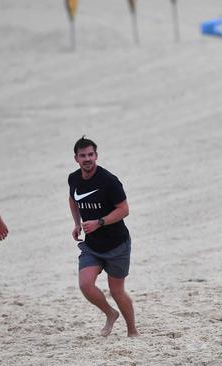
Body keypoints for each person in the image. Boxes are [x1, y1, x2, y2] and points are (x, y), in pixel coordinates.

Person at [68, 136, 139, 337]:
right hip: (92, 246)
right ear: (76, 158)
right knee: (85, 284)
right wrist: (76, 223)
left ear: (96, 155)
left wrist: (99, 222)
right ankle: (110, 314)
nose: (87, 159)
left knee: (117, 291)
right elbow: (73, 199)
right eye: (83, 156)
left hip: (117, 244)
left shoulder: (109, 180)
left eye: (90, 154)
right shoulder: (73, 178)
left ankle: (132, 331)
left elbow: (124, 209)